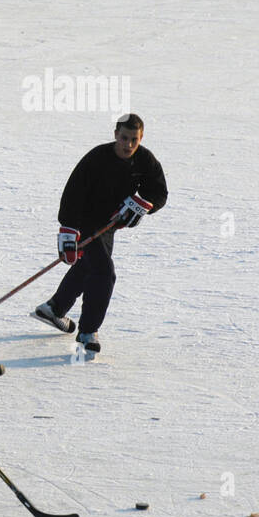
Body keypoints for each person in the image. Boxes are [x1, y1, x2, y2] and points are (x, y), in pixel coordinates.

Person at [32, 113, 168, 355]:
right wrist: (68, 231)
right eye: (124, 138)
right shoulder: (97, 158)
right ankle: (87, 331)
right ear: (115, 134)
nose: (128, 145)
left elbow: (158, 191)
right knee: (104, 272)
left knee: (89, 266)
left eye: (134, 140)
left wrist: (141, 205)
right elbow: (72, 193)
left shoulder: (144, 160)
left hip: (109, 223)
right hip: (84, 219)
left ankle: (55, 308)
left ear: (141, 138)